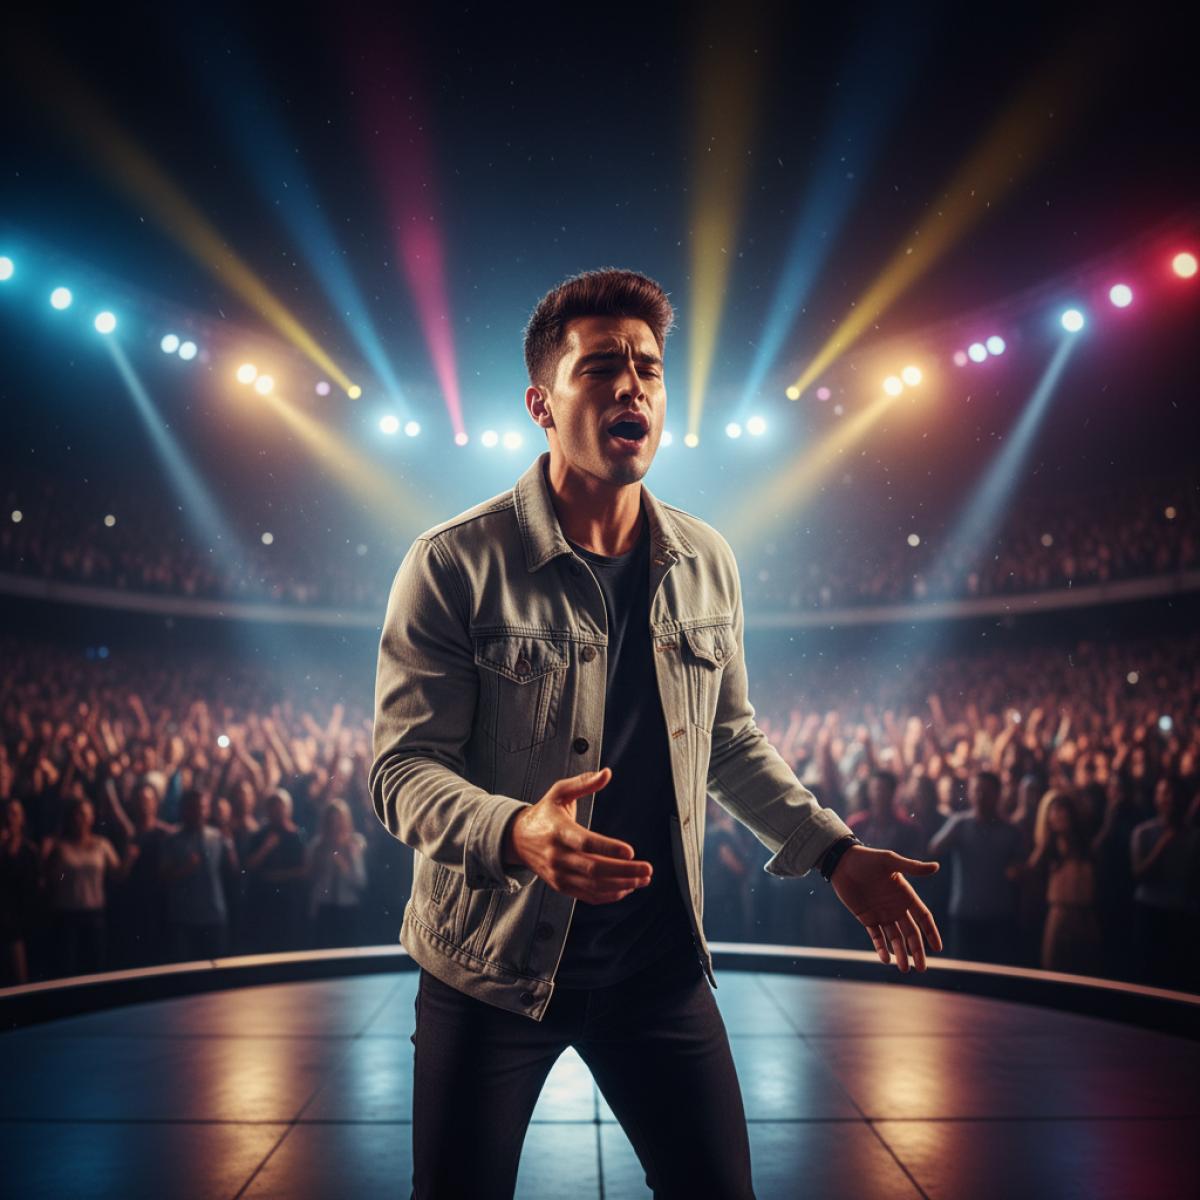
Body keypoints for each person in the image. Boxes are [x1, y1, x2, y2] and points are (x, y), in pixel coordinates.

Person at [369, 268, 944, 1200]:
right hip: (493, 972)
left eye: (648, 367)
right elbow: (403, 771)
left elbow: (727, 741)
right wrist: (519, 832)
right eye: (599, 367)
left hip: (657, 969)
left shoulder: (706, 560)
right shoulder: (453, 564)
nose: (631, 385)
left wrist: (833, 852)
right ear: (541, 404)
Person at [928, 770, 1024, 964]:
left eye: (986, 792)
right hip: (964, 913)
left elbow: (1021, 867)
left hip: (998, 915)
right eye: (976, 791)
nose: (980, 796)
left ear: (997, 795)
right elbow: (934, 848)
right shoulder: (960, 823)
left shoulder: (1010, 830)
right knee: (962, 976)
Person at [1027, 790, 1102, 975]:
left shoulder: (1086, 847)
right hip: (1058, 915)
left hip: (1084, 916)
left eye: (1063, 810)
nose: (1060, 815)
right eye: (1054, 811)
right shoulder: (1047, 851)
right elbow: (1030, 875)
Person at [160, 788, 237, 962]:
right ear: (184, 810)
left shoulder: (217, 836)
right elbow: (163, 876)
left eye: (202, 808)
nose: (198, 813)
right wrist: (184, 869)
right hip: (184, 918)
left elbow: (233, 870)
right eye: (193, 808)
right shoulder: (172, 839)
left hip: (214, 914)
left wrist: (230, 844)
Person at [305, 797, 368, 948]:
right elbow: (309, 878)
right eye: (331, 821)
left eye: (338, 821)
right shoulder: (317, 845)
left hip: (347, 906)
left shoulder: (354, 844)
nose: (334, 826)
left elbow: (360, 881)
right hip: (323, 905)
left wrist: (343, 865)